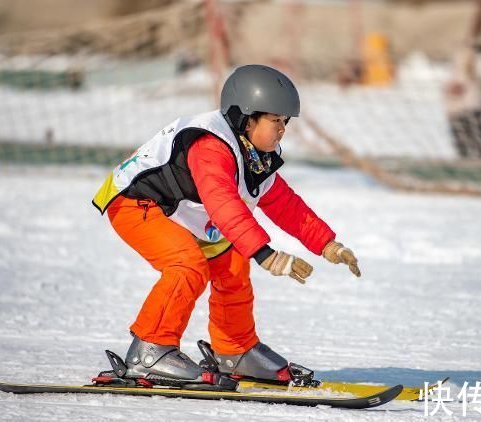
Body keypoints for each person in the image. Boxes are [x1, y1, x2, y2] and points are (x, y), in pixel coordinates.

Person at [91, 65, 361, 387]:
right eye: (275, 120)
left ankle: (235, 351)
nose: (282, 129)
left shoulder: (254, 155)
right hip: (137, 203)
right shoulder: (210, 146)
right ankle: (149, 351)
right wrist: (265, 254)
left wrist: (327, 244)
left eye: (285, 121)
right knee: (186, 265)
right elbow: (223, 203)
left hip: (181, 210)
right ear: (247, 118)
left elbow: (285, 205)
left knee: (232, 264)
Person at [443, 43, 481, 161]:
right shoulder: (458, 58)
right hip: (457, 109)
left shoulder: (477, 59)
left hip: (472, 108)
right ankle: (467, 163)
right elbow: (448, 84)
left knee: (477, 144)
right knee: (462, 145)